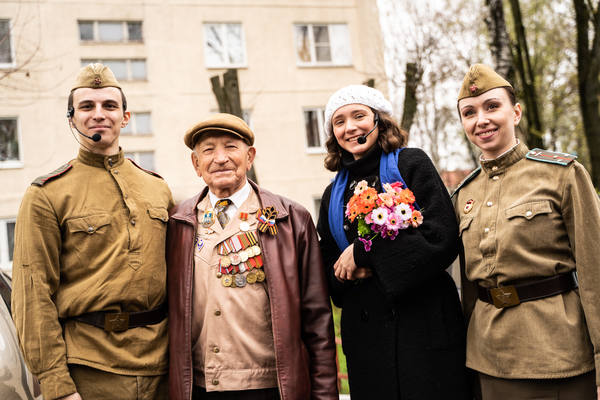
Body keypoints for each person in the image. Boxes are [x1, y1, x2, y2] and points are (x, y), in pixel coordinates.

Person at [11, 63, 173, 400]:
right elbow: (32, 296)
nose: (99, 114)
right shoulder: (46, 194)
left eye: (109, 106)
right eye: (87, 106)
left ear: (125, 117)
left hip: (163, 368)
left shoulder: (157, 188)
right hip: (89, 372)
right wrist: (57, 387)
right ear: (72, 119)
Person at [453, 63, 600, 400]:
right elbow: (468, 287)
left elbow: (595, 270)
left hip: (559, 354)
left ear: (515, 113)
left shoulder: (562, 175)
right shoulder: (464, 194)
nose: (481, 120)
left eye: (492, 107)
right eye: (469, 113)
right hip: (489, 359)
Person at [166, 113, 338, 400]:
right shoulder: (178, 222)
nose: (220, 158)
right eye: (208, 150)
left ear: (250, 156)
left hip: (270, 386)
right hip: (200, 387)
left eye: (231, 147)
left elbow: (318, 319)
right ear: (196, 165)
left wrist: (324, 395)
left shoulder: (291, 219)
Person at [316, 84, 471, 399]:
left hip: (425, 328)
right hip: (367, 338)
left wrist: (364, 253)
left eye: (359, 115)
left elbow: (442, 237)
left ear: (378, 120)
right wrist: (345, 272)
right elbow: (328, 266)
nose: (350, 127)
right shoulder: (332, 194)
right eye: (339, 121)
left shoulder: (411, 164)